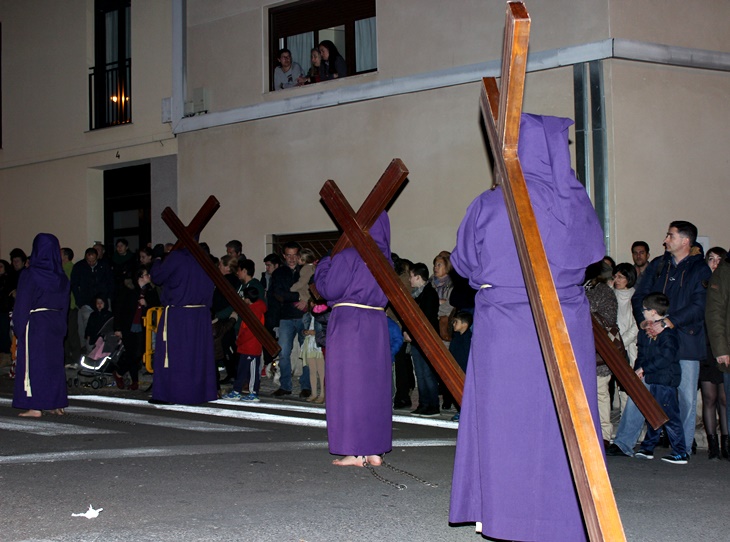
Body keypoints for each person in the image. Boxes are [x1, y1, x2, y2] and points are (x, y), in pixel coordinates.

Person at [449, 114, 605, 541]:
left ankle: (505, 514)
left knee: (505, 421)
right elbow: (592, 252)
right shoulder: (574, 202)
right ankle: (567, 516)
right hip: (562, 323)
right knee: (560, 422)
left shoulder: (491, 202)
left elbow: (464, 262)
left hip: (505, 327)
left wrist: (496, 275)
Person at [314, 211, 392, 467]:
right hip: (376, 325)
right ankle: (374, 450)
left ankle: (355, 451)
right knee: (373, 387)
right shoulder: (386, 261)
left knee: (349, 386)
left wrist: (325, 264)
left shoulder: (349, 256)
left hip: (349, 325)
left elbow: (329, 289)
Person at [631, 221, 711, 454]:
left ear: (685, 241)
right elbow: (640, 297)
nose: (665, 240)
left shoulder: (700, 269)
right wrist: (643, 320)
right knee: (643, 389)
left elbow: (699, 306)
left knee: (686, 397)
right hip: (655, 339)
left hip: (687, 340)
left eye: (670, 236)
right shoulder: (659, 265)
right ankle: (627, 442)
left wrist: (667, 321)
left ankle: (682, 447)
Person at [12, 233, 70, 417]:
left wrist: (18, 328)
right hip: (55, 322)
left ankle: (35, 405)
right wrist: (62, 327)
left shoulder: (30, 274)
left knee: (35, 363)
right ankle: (55, 403)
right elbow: (65, 305)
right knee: (53, 364)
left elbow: (23, 302)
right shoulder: (61, 277)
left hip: (36, 323)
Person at [151, 246, 216, 405]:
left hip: (179, 315)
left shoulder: (177, 257)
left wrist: (158, 259)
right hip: (200, 315)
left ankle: (172, 394)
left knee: (176, 355)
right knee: (197, 356)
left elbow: (157, 277)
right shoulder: (205, 258)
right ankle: (199, 393)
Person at [633, 292, 689, 464]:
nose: (642, 312)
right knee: (654, 413)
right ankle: (648, 447)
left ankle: (680, 452)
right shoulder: (646, 331)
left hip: (666, 379)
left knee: (669, 415)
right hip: (654, 378)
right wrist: (637, 370)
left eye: (644, 309)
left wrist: (645, 368)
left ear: (652, 311)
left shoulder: (668, 333)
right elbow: (642, 352)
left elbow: (666, 357)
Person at [268, 242, 310, 397]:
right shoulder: (279, 273)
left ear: (299, 255)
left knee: (306, 353)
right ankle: (285, 386)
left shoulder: (307, 269)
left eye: (295, 255)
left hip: (304, 317)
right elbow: (278, 294)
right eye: (289, 255)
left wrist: (306, 301)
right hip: (285, 317)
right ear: (284, 256)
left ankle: (307, 386)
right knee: (284, 353)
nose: (292, 259)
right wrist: (300, 297)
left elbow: (315, 290)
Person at [584, 259, 618, 447]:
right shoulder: (578, 289)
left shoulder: (605, 292)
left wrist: (588, 312)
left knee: (600, 393)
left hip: (600, 350)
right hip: (581, 349)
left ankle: (605, 435)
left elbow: (609, 319)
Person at [700, 246, 728, 459]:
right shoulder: (702, 283)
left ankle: (726, 443)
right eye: (711, 259)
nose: (715, 263)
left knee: (724, 398)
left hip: (722, 344)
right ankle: (712, 445)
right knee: (709, 397)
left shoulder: (724, 279)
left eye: (719, 259)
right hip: (707, 346)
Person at [113, 266, 160, 390]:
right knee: (131, 352)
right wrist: (117, 327)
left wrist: (147, 304)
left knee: (138, 353)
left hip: (143, 325)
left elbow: (156, 305)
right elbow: (119, 309)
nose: (148, 277)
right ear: (140, 277)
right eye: (146, 274)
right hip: (128, 325)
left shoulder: (150, 290)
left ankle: (120, 372)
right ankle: (134, 381)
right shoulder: (128, 290)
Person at [405, 262, 440, 417]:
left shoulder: (429, 293)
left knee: (427, 373)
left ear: (418, 277)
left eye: (411, 276)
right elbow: (408, 316)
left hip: (425, 338)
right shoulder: (416, 294)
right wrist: (406, 330)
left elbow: (426, 317)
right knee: (419, 373)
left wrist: (412, 332)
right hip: (415, 339)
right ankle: (423, 403)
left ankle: (433, 405)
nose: (410, 280)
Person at [222, 287, 267, 402]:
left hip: (250, 346)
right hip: (249, 345)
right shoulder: (255, 308)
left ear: (247, 299)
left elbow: (249, 331)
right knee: (244, 370)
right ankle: (239, 391)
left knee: (249, 371)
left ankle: (252, 393)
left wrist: (239, 341)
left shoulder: (254, 311)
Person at [70, 247, 114, 354]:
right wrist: (80, 301)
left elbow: (110, 282)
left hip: (103, 300)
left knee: (105, 325)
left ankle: (104, 352)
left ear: (97, 257)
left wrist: (108, 297)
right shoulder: (79, 266)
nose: (91, 263)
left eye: (93, 260)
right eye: (88, 260)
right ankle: (90, 351)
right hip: (86, 302)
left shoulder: (104, 265)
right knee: (88, 326)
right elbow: (74, 285)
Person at [612, 262, 639, 416]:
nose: (617, 280)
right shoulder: (611, 295)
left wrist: (622, 342)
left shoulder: (635, 297)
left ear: (629, 279)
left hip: (629, 347)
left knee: (631, 386)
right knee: (620, 387)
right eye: (615, 276)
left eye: (621, 277)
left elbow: (636, 325)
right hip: (615, 347)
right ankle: (623, 420)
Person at [448, 311, 473, 422]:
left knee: (466, 392)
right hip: (456, 367)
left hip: (465, 369)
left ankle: (465, 412)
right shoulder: (456, 337)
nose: (453, 324)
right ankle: (461, 410)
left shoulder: (469, 339)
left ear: (464, 324)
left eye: (456, 322)